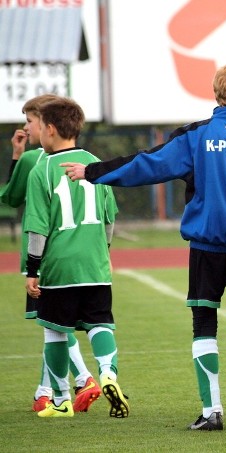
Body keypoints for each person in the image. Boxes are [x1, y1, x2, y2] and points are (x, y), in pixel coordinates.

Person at [62, 61, 226, 431]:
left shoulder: (195, 136)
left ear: (218, 94)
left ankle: (212, 412)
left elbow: (147, 165)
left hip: (206, 249)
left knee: (204, 325)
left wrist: (92, 171)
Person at [22, 97, 127, 418]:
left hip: (59, 266)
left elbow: (38, 228)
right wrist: (103, 251)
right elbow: (110, 219)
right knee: (100, 324)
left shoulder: (42, 171)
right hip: (95, 264)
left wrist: (32, 269)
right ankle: (108, 373)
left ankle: (61, 400)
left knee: (55, 330)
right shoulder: (95, 164)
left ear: (50, 130)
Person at [0, 94, 102, 414]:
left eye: (30, 121)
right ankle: (47, 390)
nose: (27, 128)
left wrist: (17, 157)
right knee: (57, 325)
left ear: (47, 126)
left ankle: (79, 380)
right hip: (84, 255)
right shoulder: (85, 157)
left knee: (54, 324)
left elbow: (10, 198)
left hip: (45, 256)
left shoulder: (35, 160)